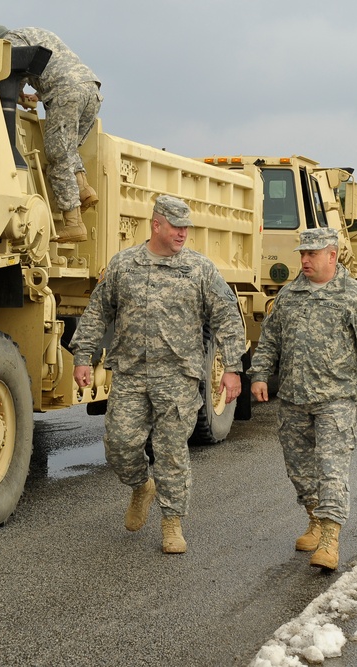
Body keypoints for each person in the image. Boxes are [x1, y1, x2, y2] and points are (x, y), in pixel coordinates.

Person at [70, 195, 245, 554]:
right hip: (131, 374)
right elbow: (97, 312)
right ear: (156, 225)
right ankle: (140, 486)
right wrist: (82, 356)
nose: (183, 233)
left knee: (171, 452)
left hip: (178, 376)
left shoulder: (199, 269)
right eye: (176, 226)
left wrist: (232, 367)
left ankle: (172, 523)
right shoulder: (124, 265)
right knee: (119, 445)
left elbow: (227, 317)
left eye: (186, 227)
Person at [248, 227, 357, 571]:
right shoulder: (289, 295)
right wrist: (259, 374)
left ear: (331, 255)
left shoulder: (355, 296)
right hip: (293, 399)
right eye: (302, 253)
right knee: (299, 470)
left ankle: (330, 539)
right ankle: (315, 519)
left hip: (336, 400)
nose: (304, 259)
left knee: (331, 470)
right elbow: (271, 338)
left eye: (312, 254)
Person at [0, 25, 102, 243]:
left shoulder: (11, 41)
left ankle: (74, 224)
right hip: (89, 88)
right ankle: (84, 189)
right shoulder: (32, 33)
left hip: (65, 92)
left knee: (57, 156)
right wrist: (34, 95)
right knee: (67, 148)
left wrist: (13, 92)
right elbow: (56, 67)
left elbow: (8, 74)